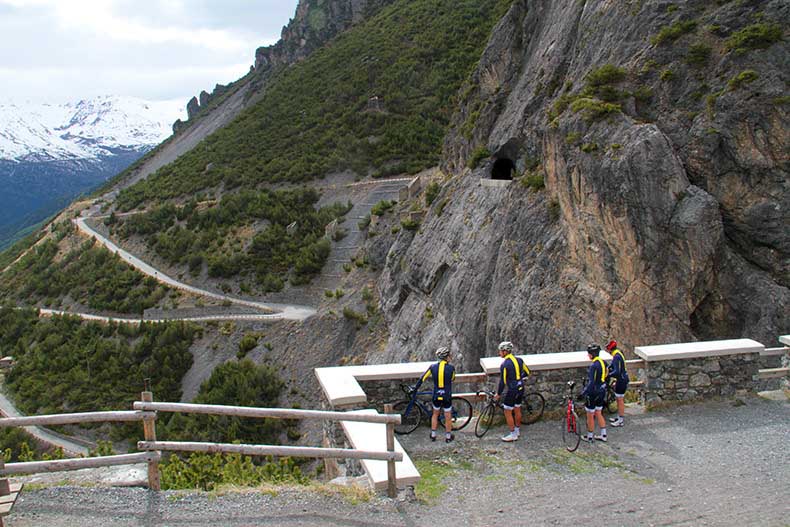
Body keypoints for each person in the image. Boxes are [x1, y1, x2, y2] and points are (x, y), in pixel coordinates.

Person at [415, 346, 456, 443]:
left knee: (435, 414)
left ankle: (433, 435)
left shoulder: (432, 367)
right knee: (447, 416)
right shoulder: (451, 368)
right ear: (447, 357)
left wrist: (415, 388)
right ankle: (448, 437)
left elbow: (423, 378)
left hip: (436, 394)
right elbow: (453, 378)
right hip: (446, 394)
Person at [494, 341, 530, 442]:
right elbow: (527, 372)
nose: (499, 353)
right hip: (520, 387)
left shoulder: (505, 364)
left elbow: (503, 381)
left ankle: (513, 434)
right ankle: (517, 430)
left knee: (507, 410)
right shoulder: (519, 360)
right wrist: (519, 379)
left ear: (505, 351)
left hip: (513, 389)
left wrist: (499, 394)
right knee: (517, 408)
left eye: (501, 351)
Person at [581, 344, 608, 442]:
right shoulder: (602, 362)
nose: (588, 355)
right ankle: (603, 435)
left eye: (588, 354)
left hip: (593, 392)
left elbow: (591, 383)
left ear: (592, 354)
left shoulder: (593, 365)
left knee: (590, 414)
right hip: (602, 390)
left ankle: (589, 436)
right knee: (599, 412)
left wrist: (583, 393)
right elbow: (608, 370)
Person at [606, 340, 629, 427]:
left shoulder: (616, 356)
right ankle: (619, 417)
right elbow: (612, 365)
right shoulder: (618, 353)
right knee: (618, 398)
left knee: (620, 400)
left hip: (621, 380)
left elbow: (617, 371)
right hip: (622, 378)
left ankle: (621, 420)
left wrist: (608, 375)